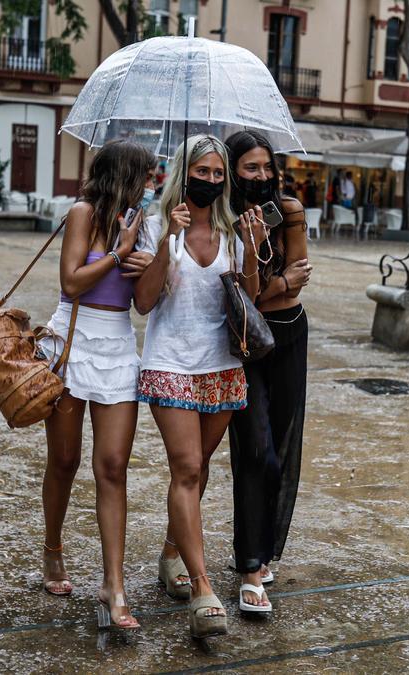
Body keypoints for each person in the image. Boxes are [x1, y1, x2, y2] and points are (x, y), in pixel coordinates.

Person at [133, 134, 267, 639]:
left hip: (220, 365)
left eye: (217, 174)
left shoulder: (234, 231)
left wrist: (252, 251)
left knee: (199, 468)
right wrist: (168, 240)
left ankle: (171, 554)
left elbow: (249, 300)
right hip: (170, 361)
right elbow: (143, 303)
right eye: (202, 171)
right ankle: (203, 589)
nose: (209, 180)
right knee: (186, 468)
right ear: (182, 174)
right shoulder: (154, 227)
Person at [37, 140, 157, 630]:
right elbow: (70, 281)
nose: (152, 184)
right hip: (73, 341)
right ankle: (52, 548)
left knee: (113, 467)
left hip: (116, 347)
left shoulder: (147, 224)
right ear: (123, 176)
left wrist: (158, 258)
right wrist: (118, 254)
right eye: (146, 177)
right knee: (65, 460)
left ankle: (114, 585)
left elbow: (144, 304)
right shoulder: (83, 212)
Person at [224, 130, 312, 615]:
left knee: (280, 444)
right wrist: (274, 280)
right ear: (234, 171)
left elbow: (300, 281)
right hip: (245, 344)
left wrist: (270, 285)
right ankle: (251, 569)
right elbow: (241, 296)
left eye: (266, 168)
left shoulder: (291, 210)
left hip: (289, 335)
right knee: (257, 453)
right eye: (250, 168)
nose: (260, 177)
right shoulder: (222, 219)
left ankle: (263, 545)